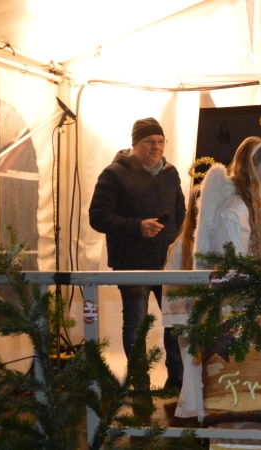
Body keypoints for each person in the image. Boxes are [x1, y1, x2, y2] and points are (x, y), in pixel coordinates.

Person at [191, 136, 261, 448]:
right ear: (252, 168)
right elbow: (233, 268)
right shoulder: (235, 210)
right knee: (243, 393)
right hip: (241, 318)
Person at [88, 117, 185, 389]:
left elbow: (181, 213)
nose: (156, 147)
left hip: (168, 264)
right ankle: (140, 383)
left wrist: (177, 242)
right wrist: (137, 227)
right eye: (149, 141)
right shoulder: (113, 174)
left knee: (175, 321)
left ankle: (176, 381)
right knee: (135, 325)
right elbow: (98, 217)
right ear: (135, 144)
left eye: (160, 141)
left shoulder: (171, 173)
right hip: (132, 264)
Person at [161, 183, 202, 419]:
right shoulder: (181, 247)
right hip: (191, 320)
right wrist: (179, 320)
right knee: (193, 368)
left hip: (219, 318)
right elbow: (171, 285)